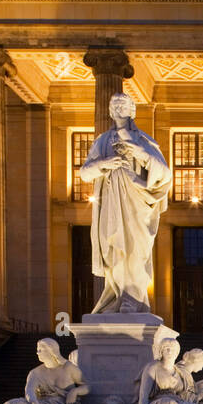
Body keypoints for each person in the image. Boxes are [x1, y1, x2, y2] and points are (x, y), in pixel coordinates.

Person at [78, 93, 172, 314]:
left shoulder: (143, 140)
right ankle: (119, 298)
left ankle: (133, 298)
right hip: (112, 202)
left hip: (138, 201)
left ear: (132, 110)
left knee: (135, 250)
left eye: (124, 105)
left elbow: (164, 173)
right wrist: (104, 163)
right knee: (114, 248)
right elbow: (84, 173)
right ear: (110, 111)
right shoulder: (102, 141)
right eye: (115, 105)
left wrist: (138, 152)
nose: (119, 108)